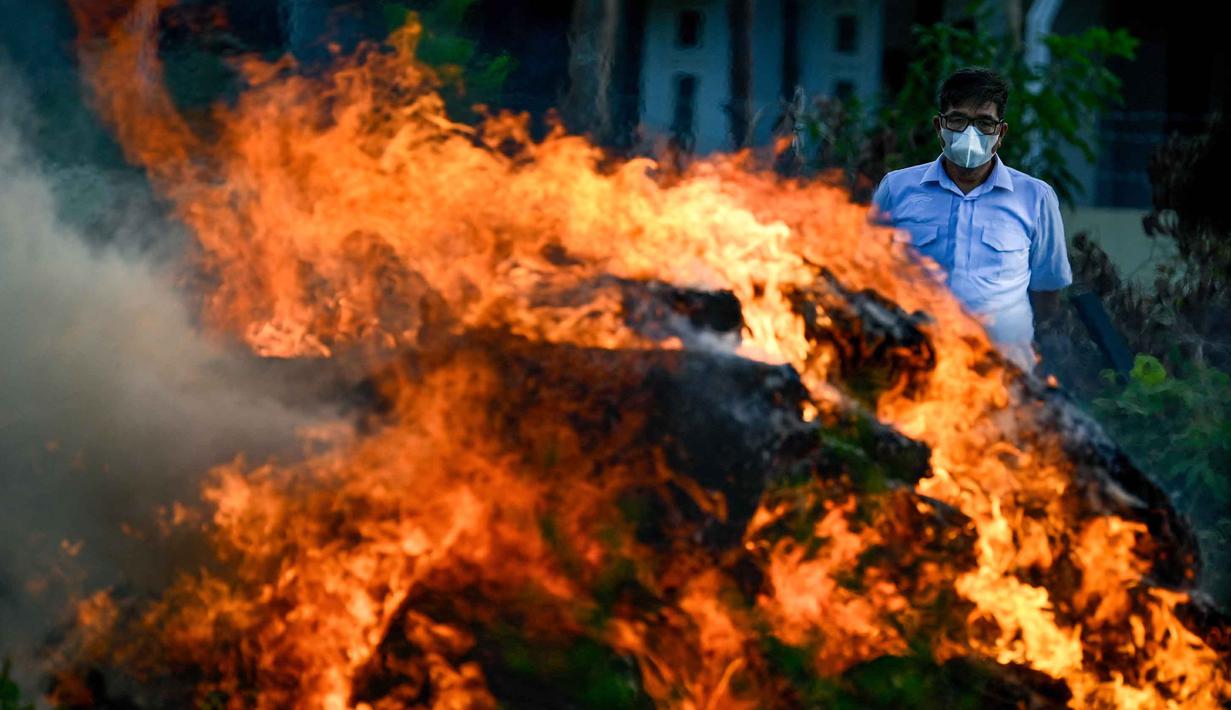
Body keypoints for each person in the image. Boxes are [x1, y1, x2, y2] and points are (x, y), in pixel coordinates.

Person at [871, 67, 1071, 370]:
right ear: (940, 126)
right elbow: (868, 272)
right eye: (958, 120)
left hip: (1002, 373)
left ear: (1000, 133)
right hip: (911, 367)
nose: (970, 133)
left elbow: (1047, 291)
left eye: (984, 123)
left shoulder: (1035, 197)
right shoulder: (897, 189)